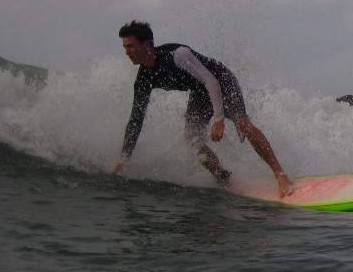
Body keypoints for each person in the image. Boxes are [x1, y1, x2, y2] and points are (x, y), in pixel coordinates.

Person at [112, 20, 294, 197]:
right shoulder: (144, 78)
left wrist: (219, 118)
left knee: (243, 124)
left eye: (131, 46)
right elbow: (136, 118)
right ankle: (222, 176)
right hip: (200, 93)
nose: (127, 52)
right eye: (125, 47)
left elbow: (210, 81)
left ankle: (280, 174)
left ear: (147, 44)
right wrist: (124, 158)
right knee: (192, 139)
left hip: (221, 81)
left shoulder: (177, 55)